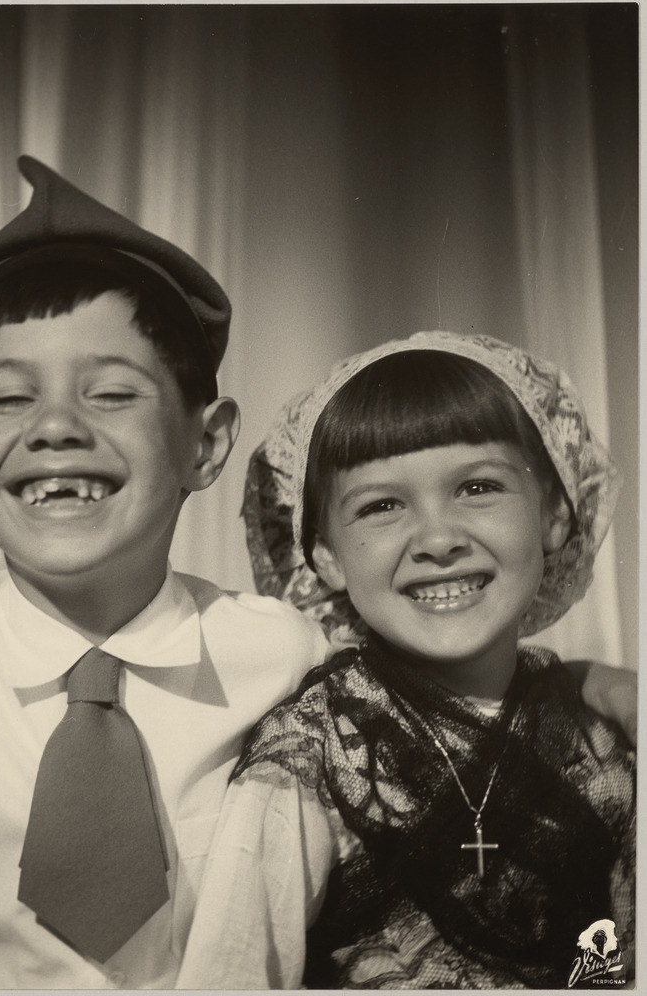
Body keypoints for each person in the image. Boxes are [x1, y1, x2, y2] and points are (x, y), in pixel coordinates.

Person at [0, 156, 328, 990]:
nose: (55, 427)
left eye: (112, 394)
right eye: (8, 399)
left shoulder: (288, 658)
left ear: (206, 444)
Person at [177, 332, 636, 989]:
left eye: (477, 486)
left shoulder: (607, 736)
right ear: (325, 556)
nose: (438, 539)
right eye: (381, 506)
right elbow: (233, 973)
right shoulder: (309, 758)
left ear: (555, 515)